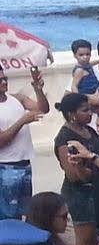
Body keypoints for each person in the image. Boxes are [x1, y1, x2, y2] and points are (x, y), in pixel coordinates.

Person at [0, 69, 49, 220]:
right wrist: (22, 121)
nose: (4, 82)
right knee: (8, 215)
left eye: (5, 78)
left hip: (24, 164)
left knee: (26, 211)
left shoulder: (17, 98)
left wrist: (38, 89)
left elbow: (42, 109)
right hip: (5, 167)